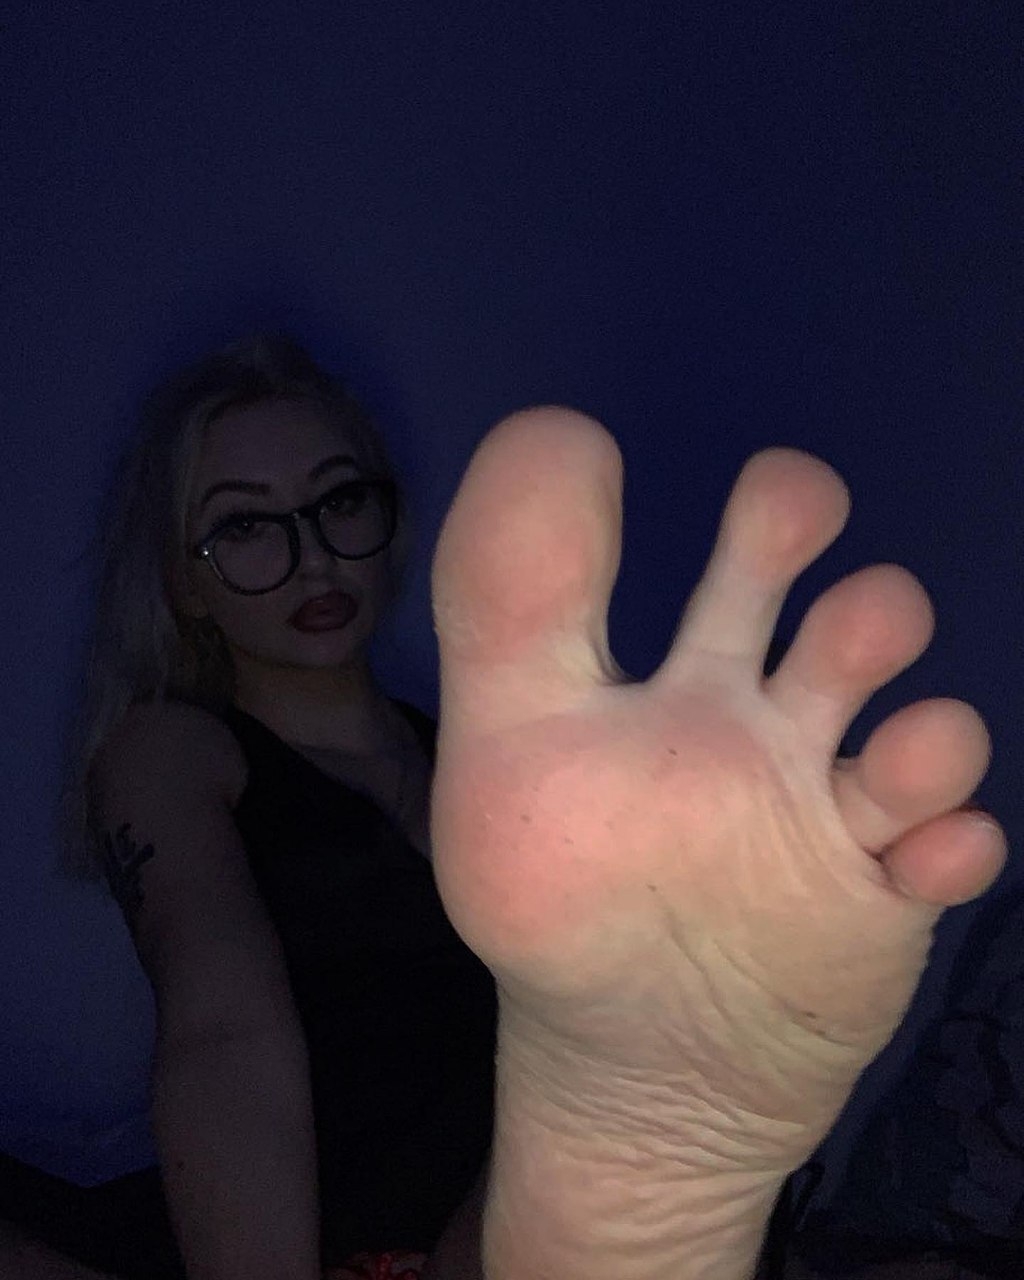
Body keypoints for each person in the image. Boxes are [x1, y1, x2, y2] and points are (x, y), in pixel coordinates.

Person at [1, 343, 1006, 1280]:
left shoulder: (494, 764)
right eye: (247, 527)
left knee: (572, 1046)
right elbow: (224, 1025)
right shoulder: (171, 748)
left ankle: (611, 1138)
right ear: (185, 584)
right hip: (297, 1210)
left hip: (506, 1173)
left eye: (339, 500)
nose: (313, 556)